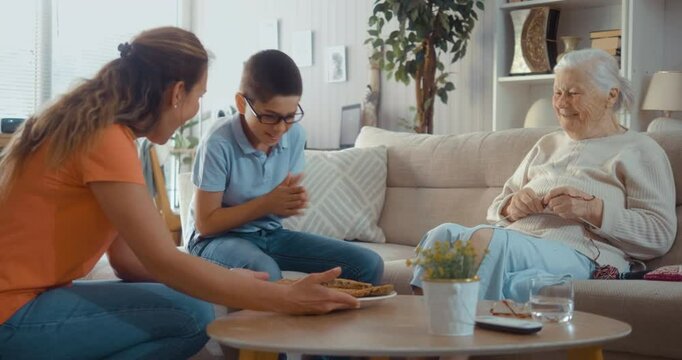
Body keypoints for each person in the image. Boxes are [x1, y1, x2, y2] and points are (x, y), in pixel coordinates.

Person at [0, 27, 359, 360]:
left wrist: (228, 278)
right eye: (198, 96)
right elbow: (162, 259)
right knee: (192, 315)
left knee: (191, 308)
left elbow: (127, 259)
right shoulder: (105, 140)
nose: (195, 109)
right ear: (176, 94)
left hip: (30, 300)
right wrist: (285, 297)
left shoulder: (99, 130)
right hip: (11, 313)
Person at [410, 48, 676, 302]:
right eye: (557, 92)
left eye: (572, 93)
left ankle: (454, 347)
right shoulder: (547, 144)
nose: (561, 103)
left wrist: (593, 210)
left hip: (583, 254)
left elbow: (659, 235)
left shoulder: (641, 150)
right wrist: (512, 206)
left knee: (485, 242)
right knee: (442, 235)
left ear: (611, 95)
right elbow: (495, 210)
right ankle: (427, 341)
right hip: (520, 241)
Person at [186, 49, 384, 285]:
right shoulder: (218, 142)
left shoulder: (295, 135)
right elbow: (206, 224)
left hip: (270, 235)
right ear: (241, 103)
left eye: (289, 116)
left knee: (369, 264)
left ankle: (324, 318)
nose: (280, 128)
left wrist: (286, 204)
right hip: (214, 241)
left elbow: (278, 205)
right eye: (270, 116)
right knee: (266, 272)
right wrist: (267, 204)